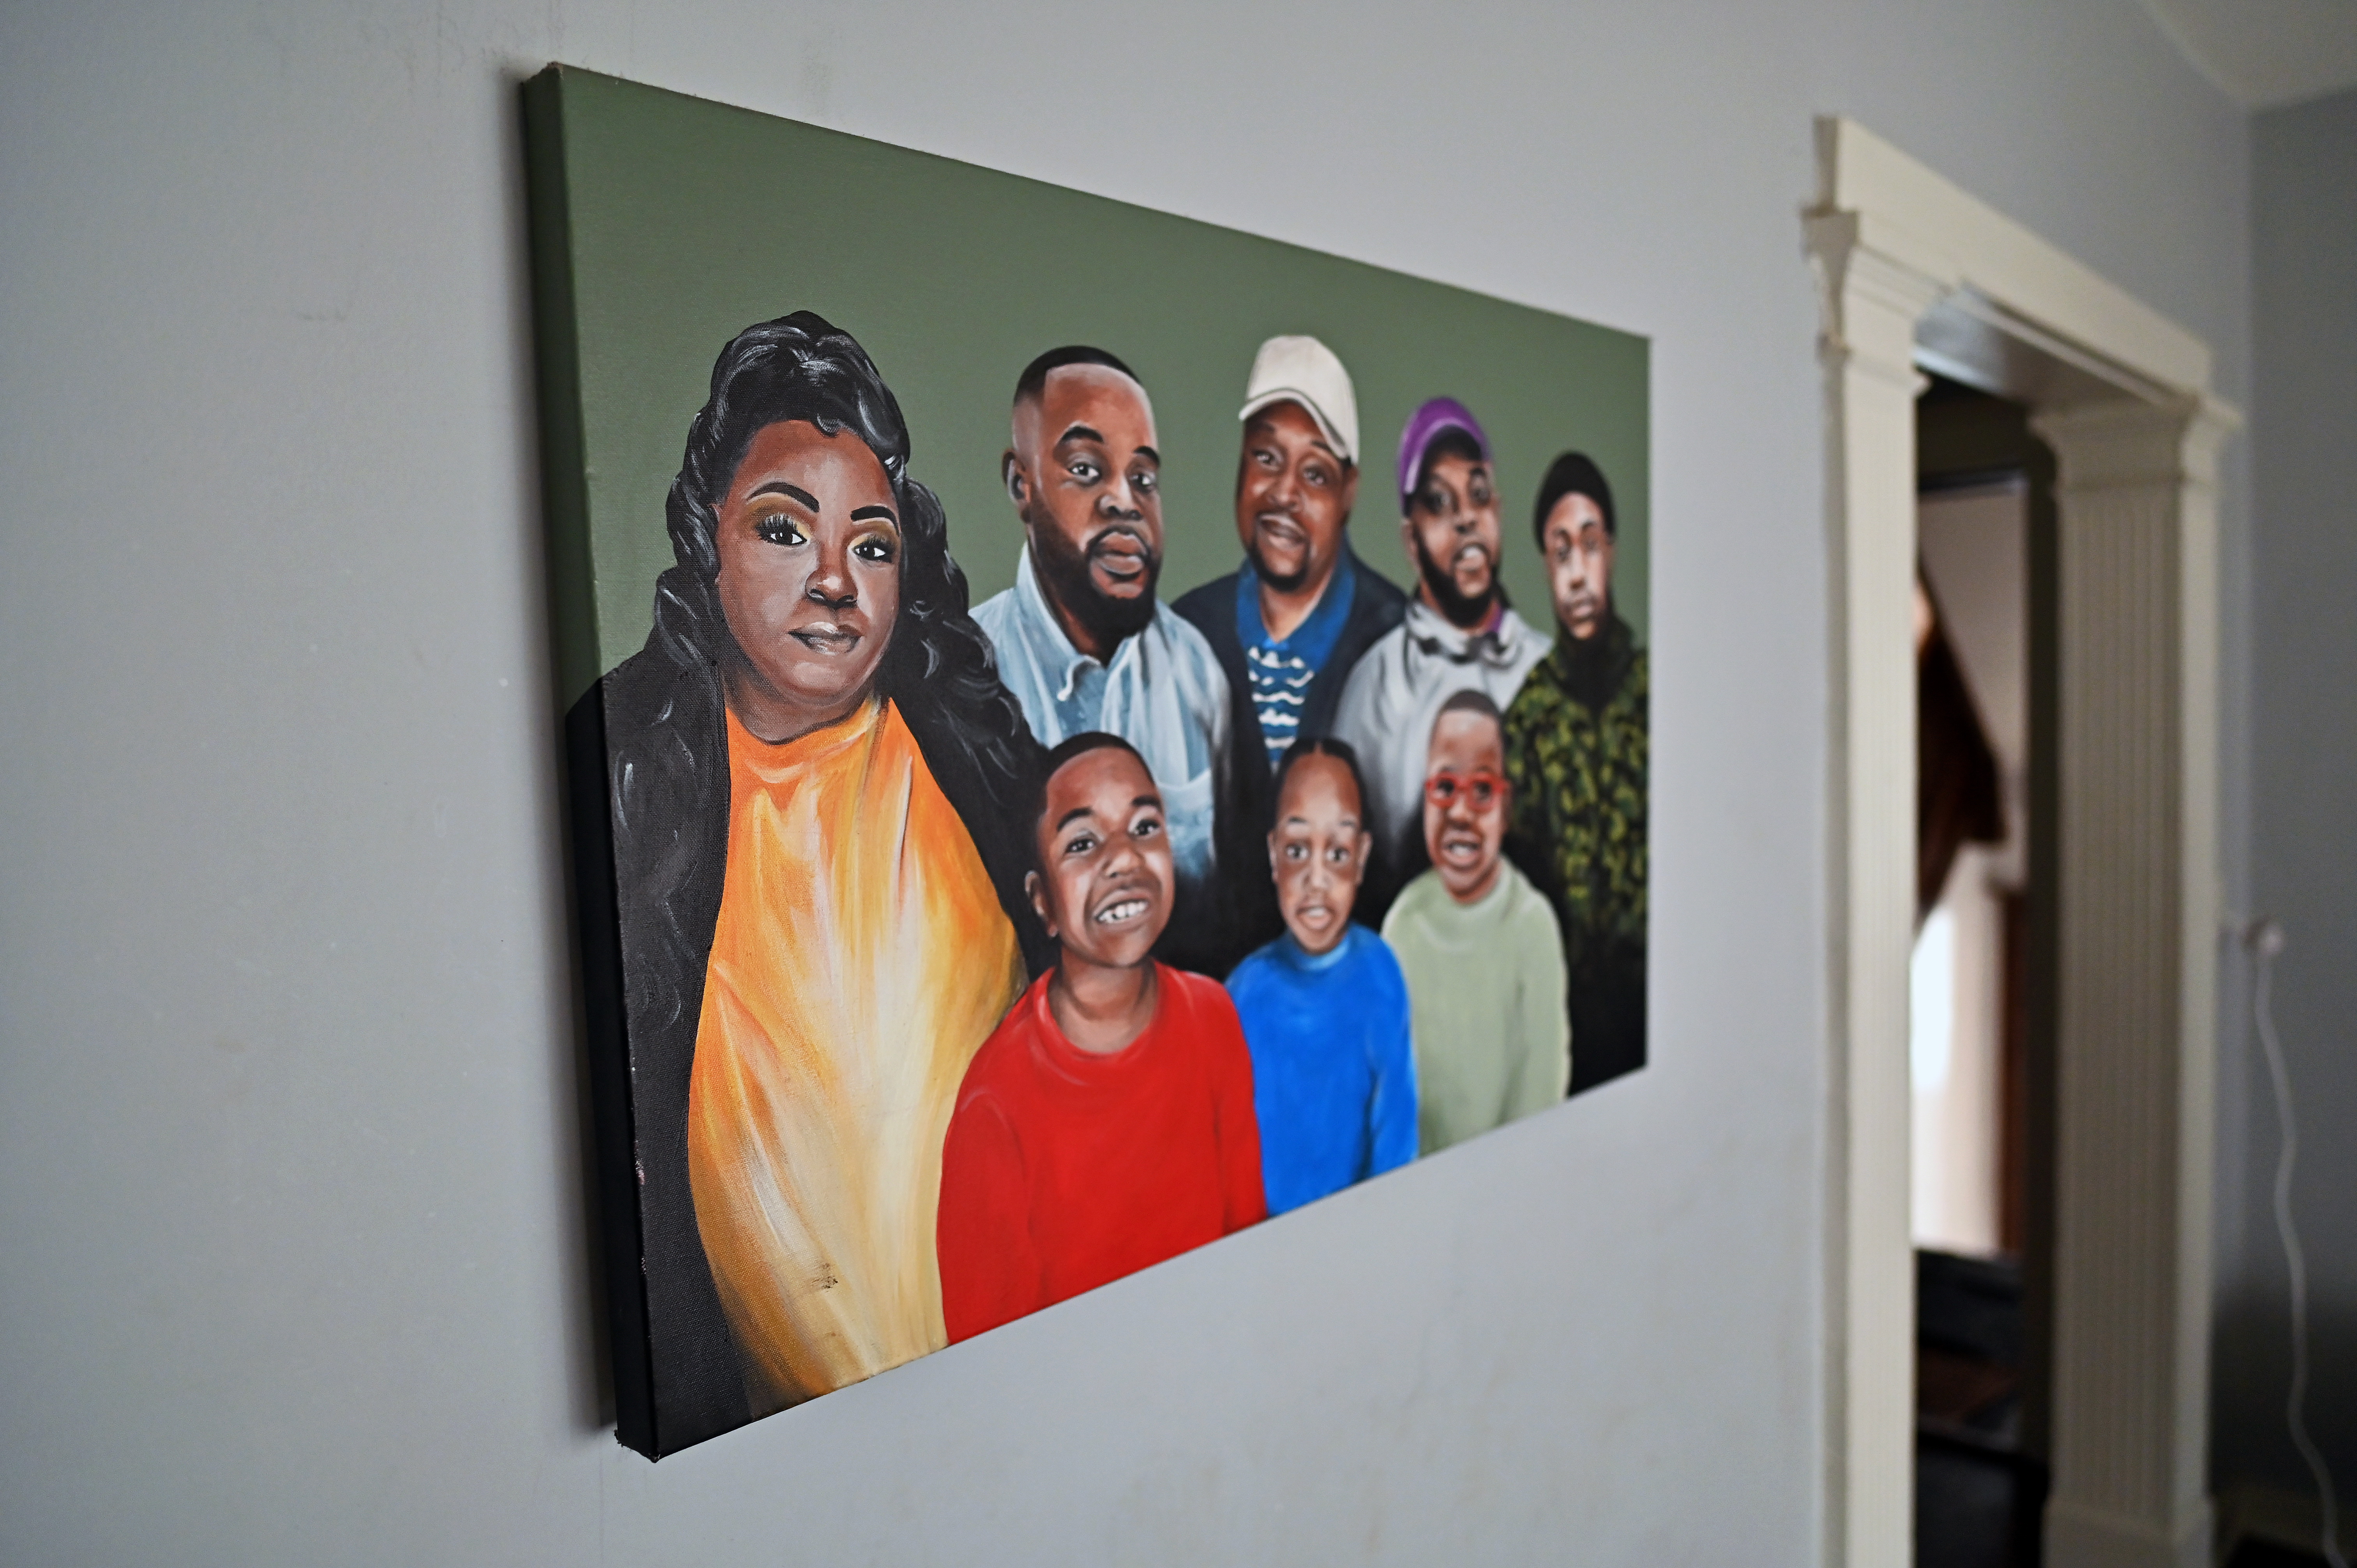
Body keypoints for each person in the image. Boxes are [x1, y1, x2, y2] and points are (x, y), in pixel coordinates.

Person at [575, 312, 1047, 1453]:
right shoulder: (638, 759)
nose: (836, 579)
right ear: (710, 540)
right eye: (786, 530)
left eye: (871, 543)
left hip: (1036, 1368)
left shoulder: (968, 734)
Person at [936, 734, 1266, 1344]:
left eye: (1144, 828)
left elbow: (1247, 1241)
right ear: (1044, 904)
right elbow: (987, 1362)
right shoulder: (996, 1101)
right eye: (1083, 843)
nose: (1123, 859)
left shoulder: (1213, 1015)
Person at [973, 347, 1234, 973]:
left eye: (1144, 478)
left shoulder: (1197, 670)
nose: (1126, 501)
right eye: (1087, 469)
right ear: (1022, 482)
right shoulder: (963, 675)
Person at [1331, 398, 1550, 914]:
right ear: (1410, 539)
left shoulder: (1547, 671)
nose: (1466, 521)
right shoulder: (1374, 688)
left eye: (1477, 496)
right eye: (1439, 503)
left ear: (1497, 510)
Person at [1504, 453, 1648, 1092]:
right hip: (1566, 1021)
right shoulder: (1529, 714)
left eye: (1588, 545)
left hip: (1661, 1009)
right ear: (1544, 562)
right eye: (1559, 550)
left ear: (1610, 552)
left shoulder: (1658, 693)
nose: (1576, 571)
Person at [1224, 738, 1418, 1215]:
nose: (1316, 879)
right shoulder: (1243, 994)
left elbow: (1396, 1146)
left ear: (1362, 856)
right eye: (1296, 849)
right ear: (1273, 854)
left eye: (1337, 853)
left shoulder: (1381, 974)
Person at [1380, 692, 1569, 1155]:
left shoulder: (1532, 926)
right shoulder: (1404, 922)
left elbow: (1541, 1095)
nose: (1461, 812)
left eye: (1482, 791)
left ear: (1506, 810)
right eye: (1445, 787)